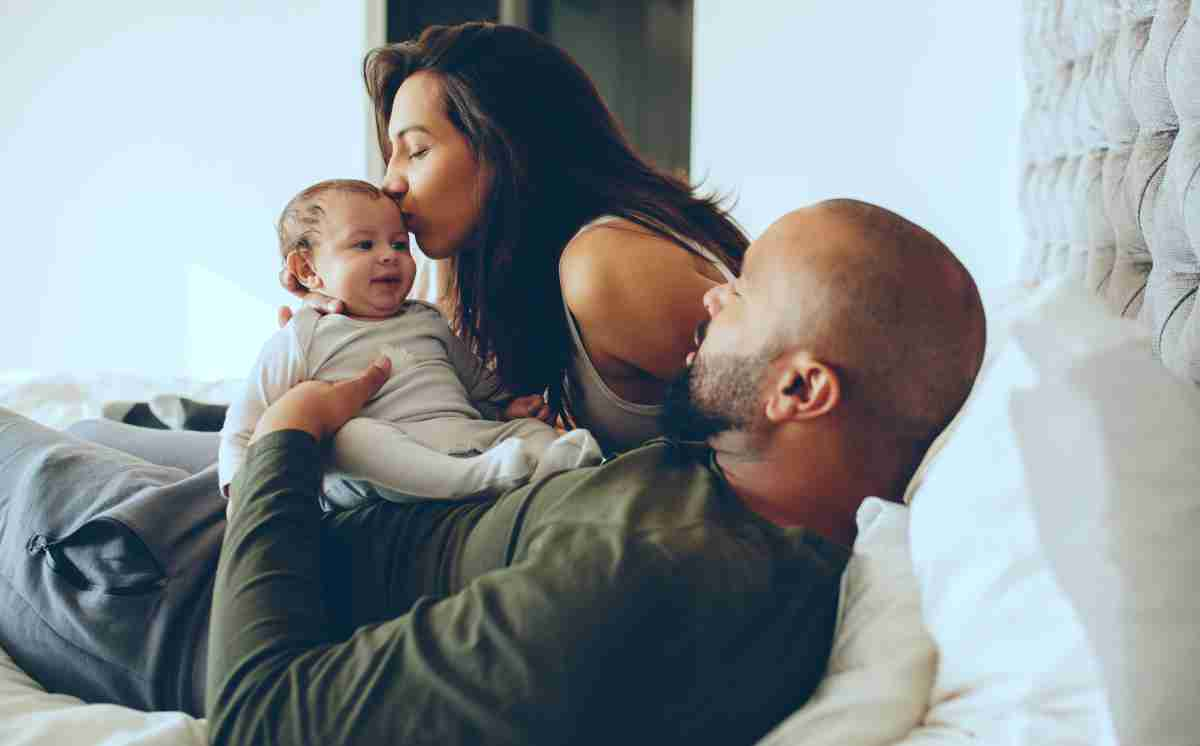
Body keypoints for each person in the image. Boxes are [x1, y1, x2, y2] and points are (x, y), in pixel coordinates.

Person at [0, 200, 987, 745]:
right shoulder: (741, 482)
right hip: (309, 517)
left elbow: (263, 718)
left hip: (172, 590)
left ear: (802, 388)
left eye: (745, 291)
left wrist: (288, 440)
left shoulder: (651, 577)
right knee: (82, 422)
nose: (710, 299)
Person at [85, 20, 747, 465]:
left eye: (417, 151)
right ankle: (192, 416)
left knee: (89, 457)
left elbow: (770, 440)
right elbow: (454, 396)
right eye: (390, 155)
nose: (391, 183)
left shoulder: (608, 265)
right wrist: (355, 327)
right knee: (97, 440)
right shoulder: (500, 260)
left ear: (510, 147)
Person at [220, 178, 601, 510]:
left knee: (527, 432)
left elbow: (475, 383)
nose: (389, 255)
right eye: (364, 245)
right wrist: (240, 491)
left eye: (400, 244)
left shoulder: (427, 318)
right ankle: (478, 479)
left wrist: (508, 407)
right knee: (351, 438)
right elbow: (245, 422)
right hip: (378, 467)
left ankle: (554, 464)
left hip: (461, 436)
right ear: (307, 270)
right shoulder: (302, 336)